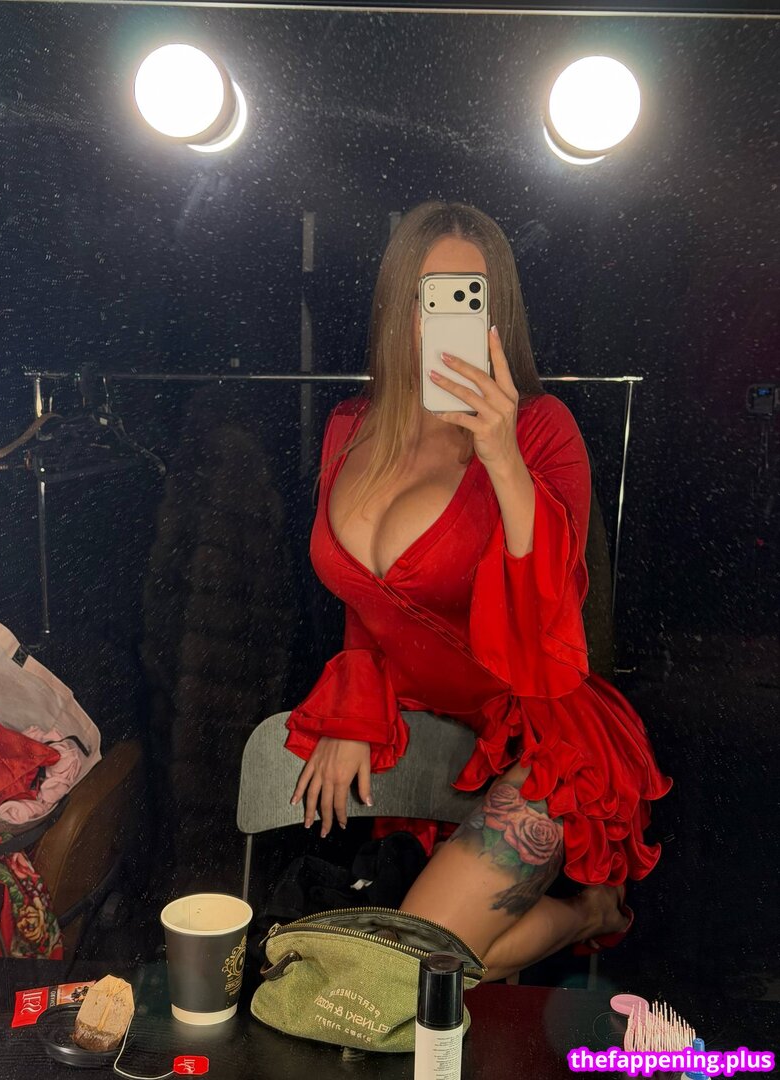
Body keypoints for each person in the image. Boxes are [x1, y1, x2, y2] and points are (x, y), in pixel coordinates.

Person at [284, 201, 672, 981]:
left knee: (405, 970)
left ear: (498, 315)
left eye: (469, 298)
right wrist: (355, 704)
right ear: (397, 305)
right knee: (413, 979)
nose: (445, 320)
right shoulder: (348, 427)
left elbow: (550, 623)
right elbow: (365, 604)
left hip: (544, 740)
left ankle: (587, 913)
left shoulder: (541, 429)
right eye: (430, 297)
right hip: (428, 738)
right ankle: (588, 913)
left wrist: (501, 456)